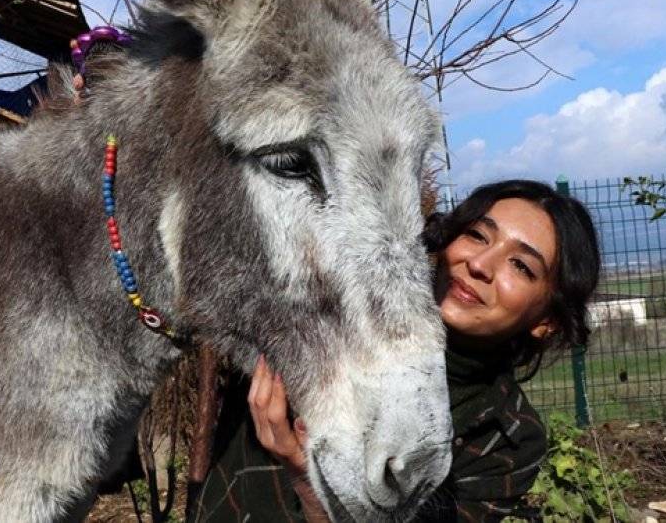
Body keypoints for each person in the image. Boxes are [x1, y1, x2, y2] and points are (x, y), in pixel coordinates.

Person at [193, 179, 601, 522]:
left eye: (521, 266)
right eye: (478, 235)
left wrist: (308, 478)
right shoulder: (327, 319)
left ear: (546, 321)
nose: (480, 264)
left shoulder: (506, 439)